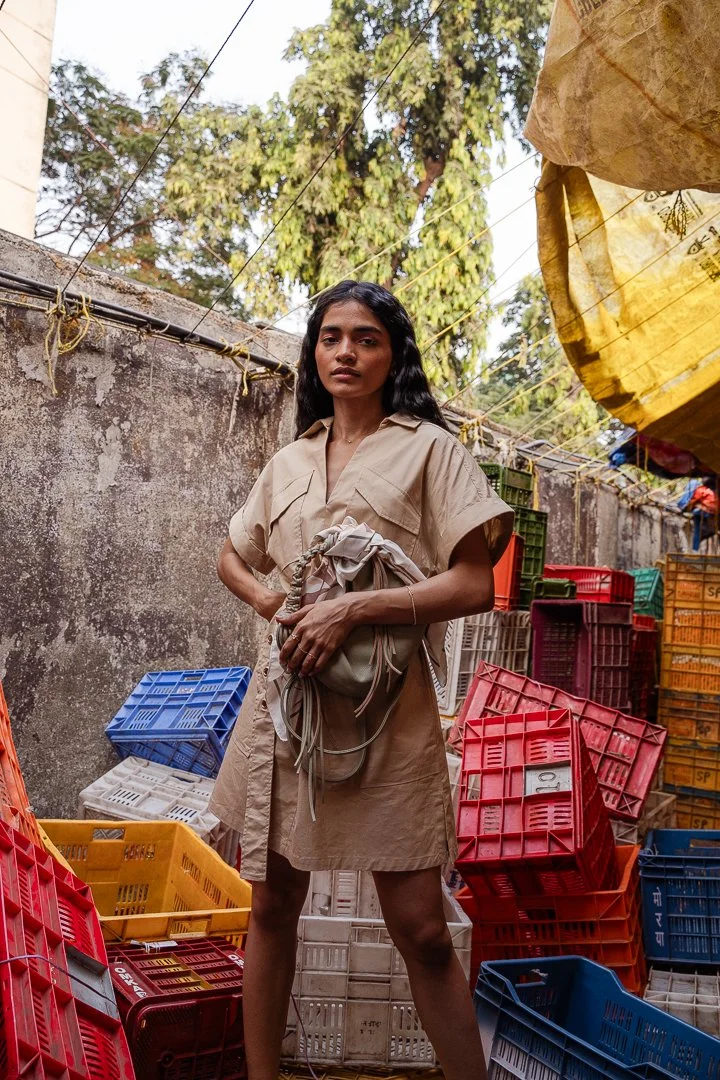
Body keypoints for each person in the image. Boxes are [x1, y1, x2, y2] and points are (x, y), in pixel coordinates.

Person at [210, 280, 513, 1080]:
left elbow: (475, 583)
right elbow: (231, 555)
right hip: (287, 710)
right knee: (272, 905)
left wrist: (357, 611)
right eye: (331, 336)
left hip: (389, 718)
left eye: (367, 338)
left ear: (392, 354)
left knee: (418, 927)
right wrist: (278, 603)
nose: (347, 351)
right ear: (314, 352)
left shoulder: (430, 451)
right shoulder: (290, 460)